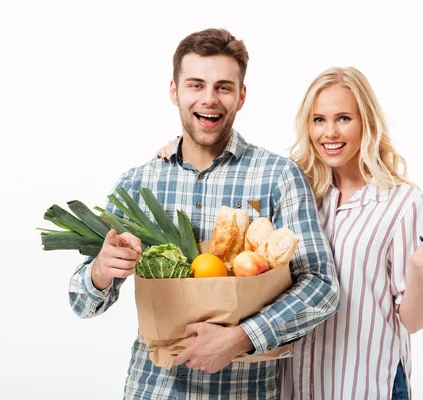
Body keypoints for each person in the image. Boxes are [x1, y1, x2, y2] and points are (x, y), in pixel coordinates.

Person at [158, 67, 423, 399]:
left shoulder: (402, 203)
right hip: (294, 387)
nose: (329, 133)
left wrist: (417, 270)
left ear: (366, 122)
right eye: (318, 120)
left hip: (366, 385)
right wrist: (181, 150)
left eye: (343, 119)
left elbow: (413, 321)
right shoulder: (296, 192)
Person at [68, 28, 340, 399]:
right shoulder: (138, 184)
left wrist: (241, 338)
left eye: (223, 87)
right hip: (152, 389)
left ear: (241, 96)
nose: (209, 100)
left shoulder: (277, 176)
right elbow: (82, 303)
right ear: (174, 90)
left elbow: (321, 286)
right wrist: (100, 271)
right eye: (195, 85)